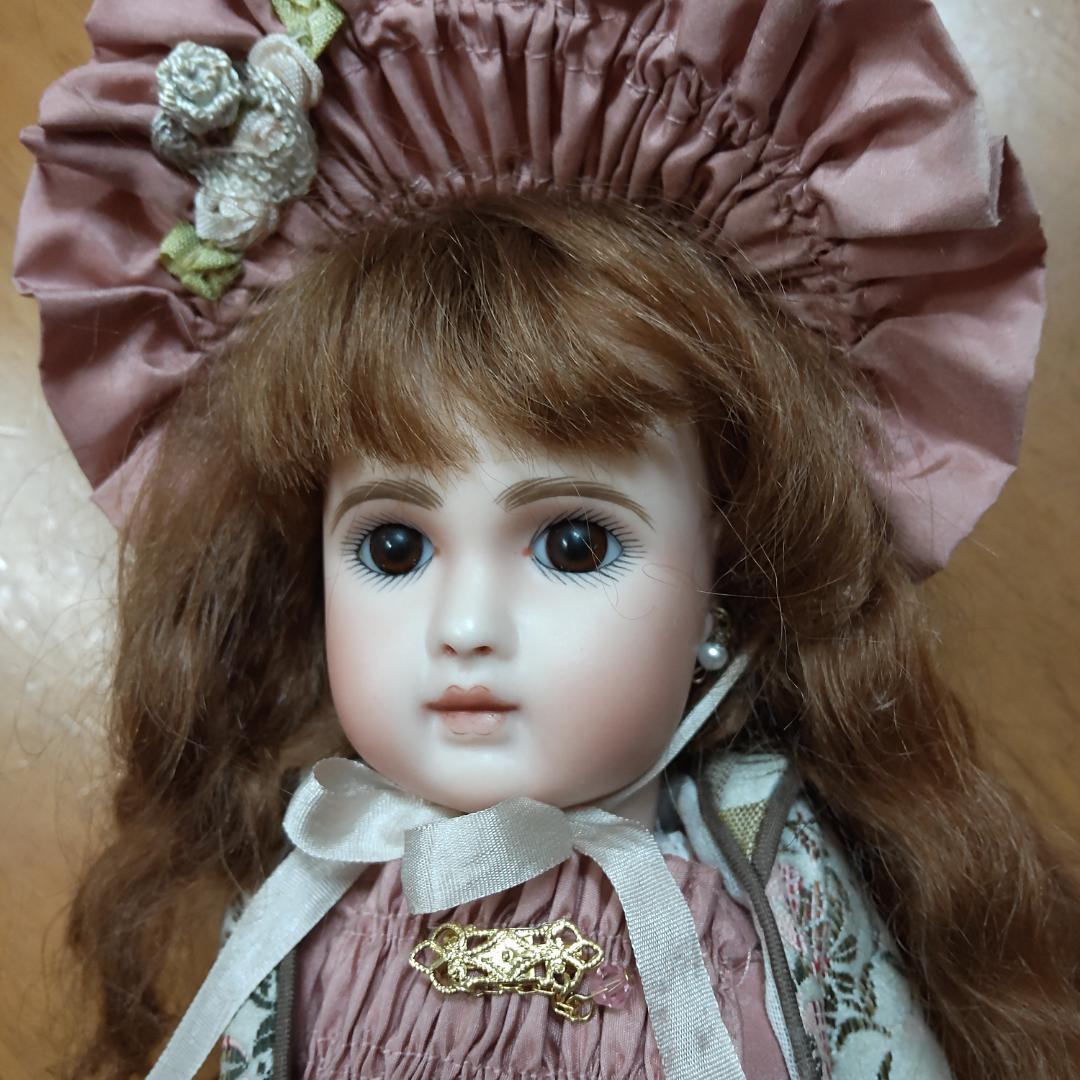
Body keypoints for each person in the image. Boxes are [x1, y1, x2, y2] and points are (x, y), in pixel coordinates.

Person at [13, 1, 1080, 1078]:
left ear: (721, 583)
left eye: (573, 545)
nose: (467, 626)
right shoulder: (307, 891)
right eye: (394, 549)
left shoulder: (773, 885)